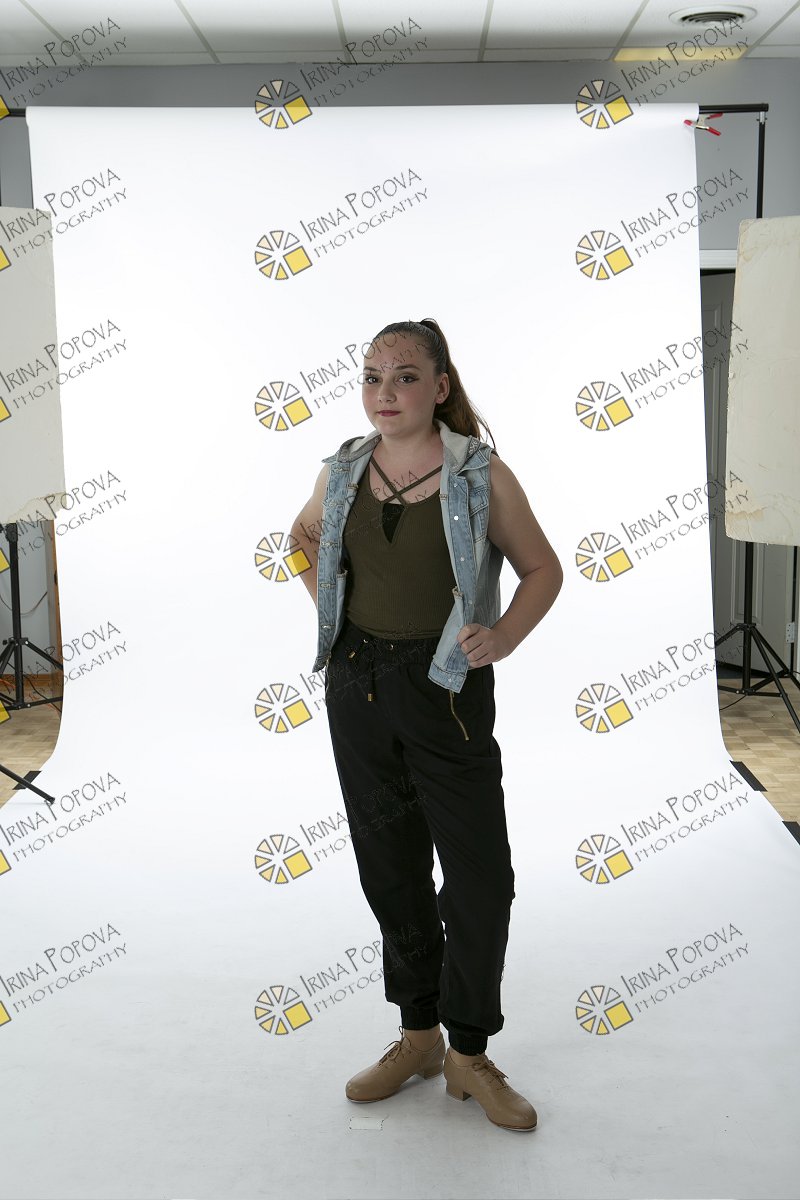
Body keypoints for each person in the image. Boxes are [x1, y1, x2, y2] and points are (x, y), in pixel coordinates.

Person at [290, 318, 563, 1132]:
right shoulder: (343, 468)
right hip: (357, 685)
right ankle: (418, 1035)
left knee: (481, 877)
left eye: (405, 376)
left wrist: (501, 637)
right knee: (392, 866)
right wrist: (332, 613)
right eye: (372, 377)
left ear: (439, 387)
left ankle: (468, 1053)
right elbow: (301, 539)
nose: (385, 392)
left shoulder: (479, 474)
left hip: (445, 689)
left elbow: (543, 569)